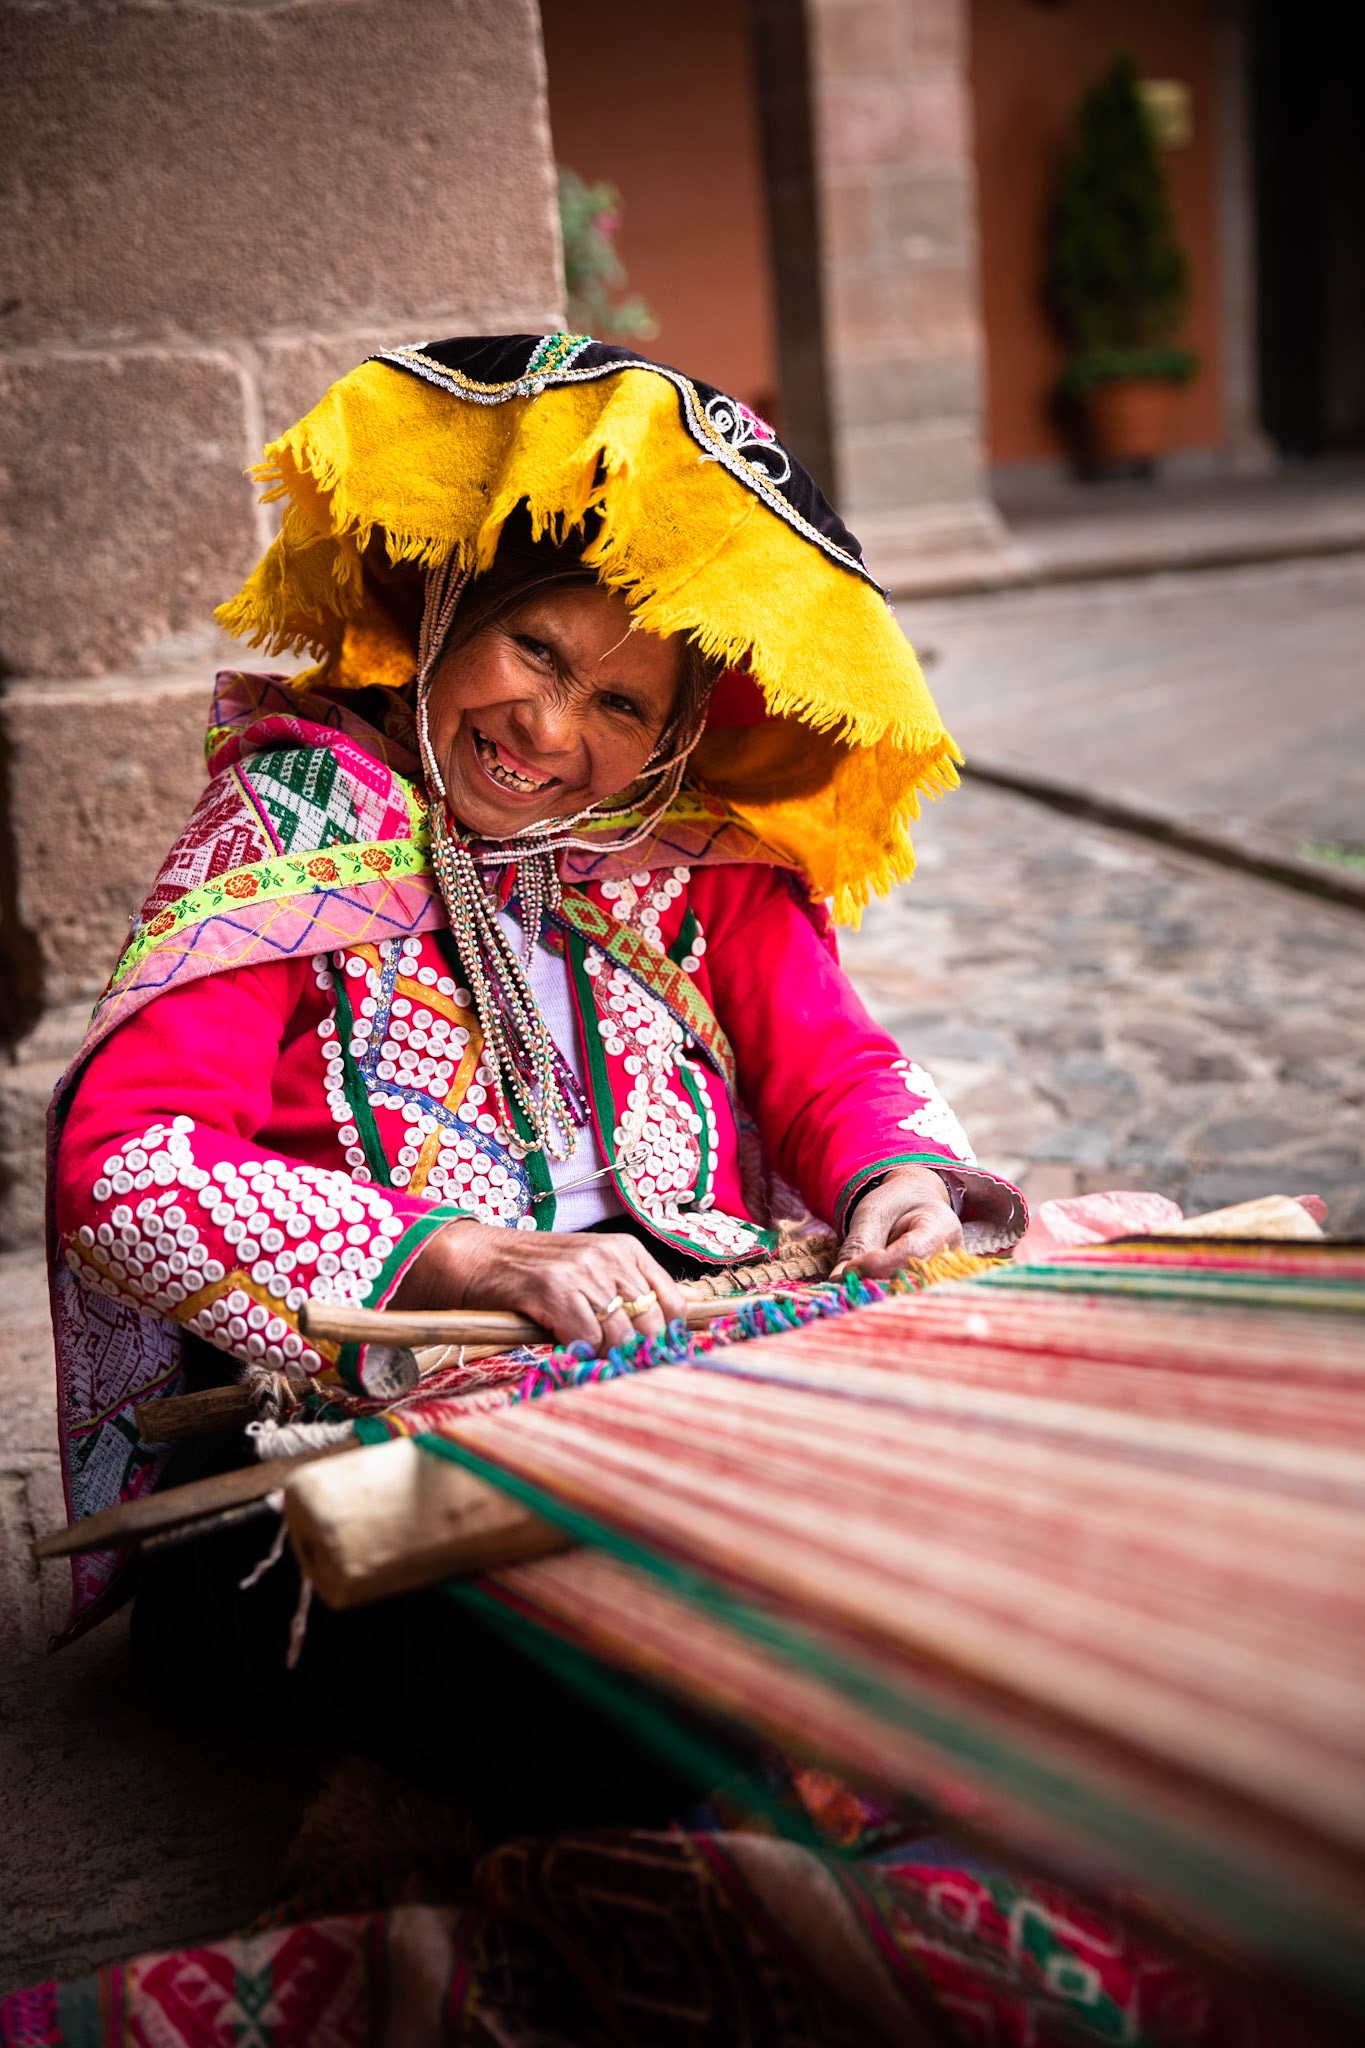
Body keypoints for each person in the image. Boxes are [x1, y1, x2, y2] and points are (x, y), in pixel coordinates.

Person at [48, 334, 1024, 1829]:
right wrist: (468, 1254)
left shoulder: (695, 865)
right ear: (450, 617)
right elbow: (121, 1166)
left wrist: (891, 1179)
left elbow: (832, 1062)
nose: (554, 732)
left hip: (663, 1366)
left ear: (674, 736)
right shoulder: (293, 823)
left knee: (1001, 1539)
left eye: (625, 707)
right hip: (341, 1422)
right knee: (647, 1687)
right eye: (538, 652)